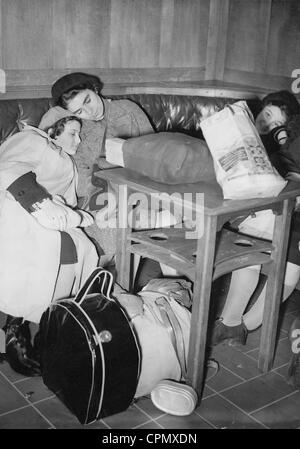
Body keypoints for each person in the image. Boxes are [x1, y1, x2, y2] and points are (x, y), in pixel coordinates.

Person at [0, 109, 99, 376]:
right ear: (53, 128)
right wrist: (42, 206)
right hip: (17, 210)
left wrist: (74, 214)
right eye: (72, 132)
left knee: (79, 252)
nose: (78, 141)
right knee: (50, 251)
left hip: (50, 219)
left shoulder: (65, 159)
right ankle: (14, 329)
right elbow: (8, 169)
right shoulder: (32, 140)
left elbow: (67, 200)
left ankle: (46, 334)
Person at [212, 90, 300, 346]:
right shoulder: (238, 132)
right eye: (268, 114)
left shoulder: (285, 143)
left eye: (276, 125)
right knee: (257, 236)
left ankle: (243, 326)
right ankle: (229, 323)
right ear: (263, 107)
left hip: (288, 207)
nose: (268, 124)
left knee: (291, 269)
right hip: (263, 206)